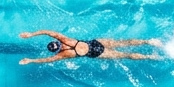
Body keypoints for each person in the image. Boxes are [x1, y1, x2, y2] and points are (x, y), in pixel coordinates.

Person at [18, 30, 163, 65]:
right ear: (57, 44)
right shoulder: (65, 40)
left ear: (56, 49)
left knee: (125, 55)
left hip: (95, 53)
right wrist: (31, 34)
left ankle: (151, 57)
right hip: (94, 43)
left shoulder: (63, 55)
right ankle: (149, 42)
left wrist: (31, 60)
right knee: (123, 42)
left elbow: (47, 60)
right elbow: (48, 31)